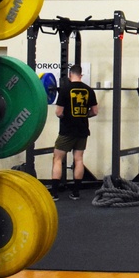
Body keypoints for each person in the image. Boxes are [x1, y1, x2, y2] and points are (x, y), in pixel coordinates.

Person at [51, 64, 98, 200]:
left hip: (67, 131)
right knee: (78, 159)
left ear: (70, 75)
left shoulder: (65, 90)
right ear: (81, 75)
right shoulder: (89, 90)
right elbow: (94, 112)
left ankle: (54, 193)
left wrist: (68, 116)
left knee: (58, 159)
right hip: (82, 130)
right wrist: (83, 116)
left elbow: (59, 113)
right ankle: (76, 192)